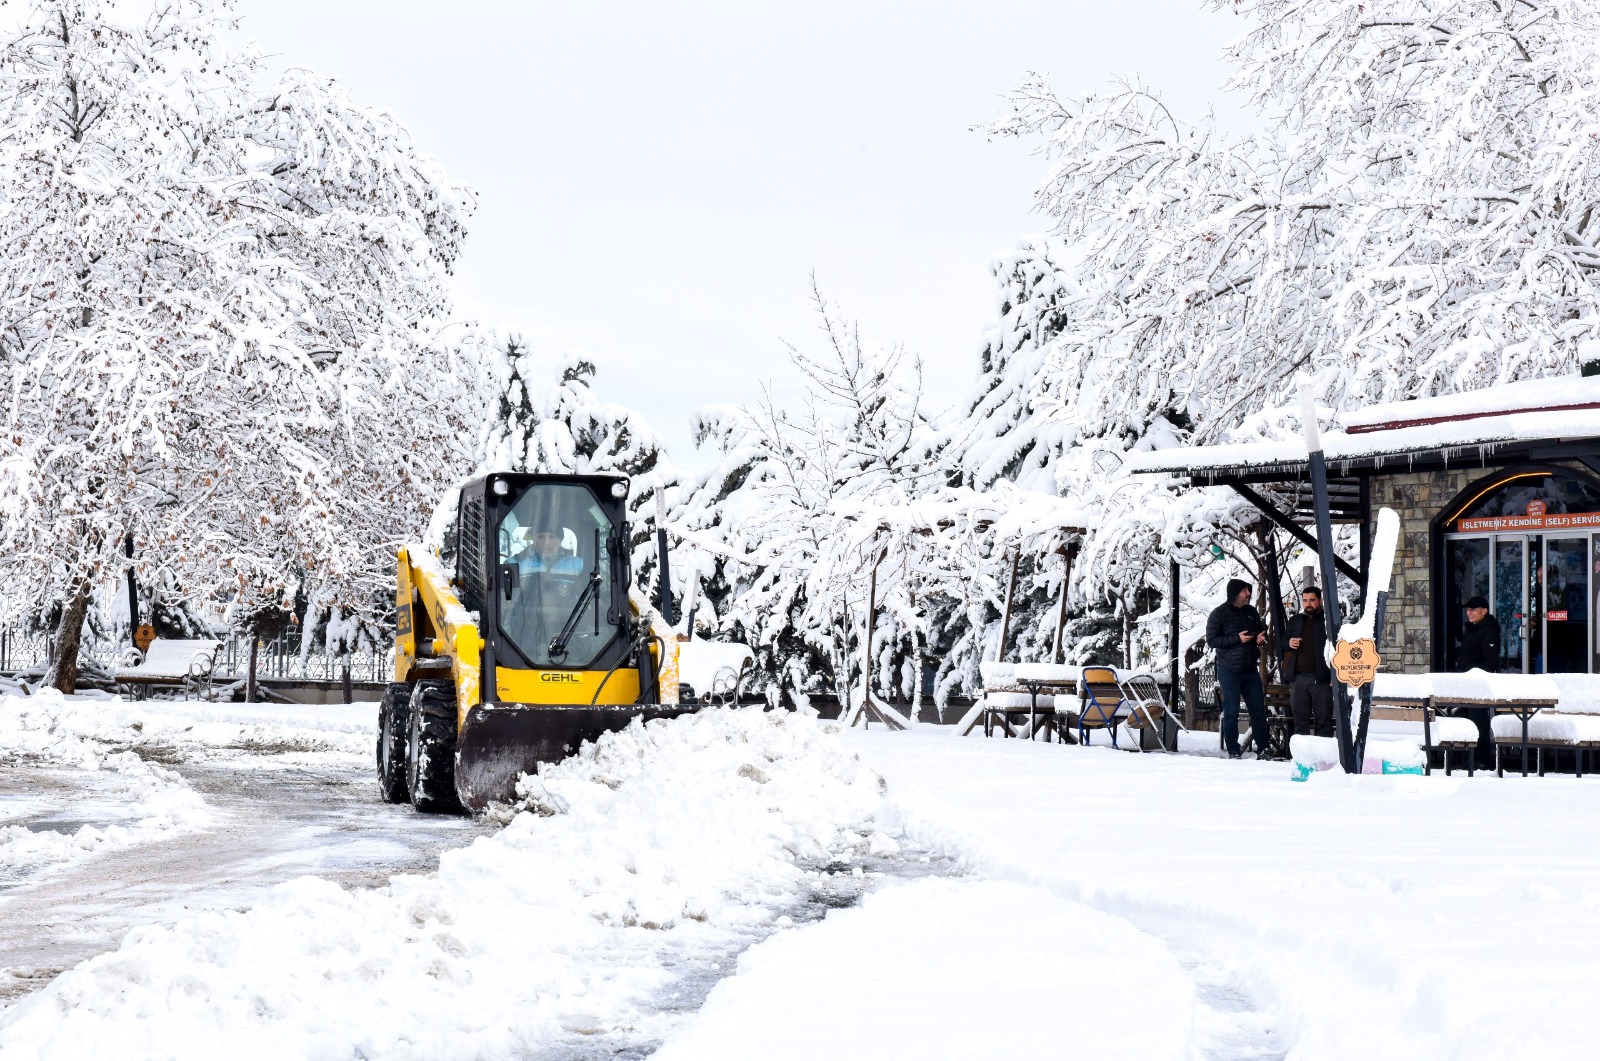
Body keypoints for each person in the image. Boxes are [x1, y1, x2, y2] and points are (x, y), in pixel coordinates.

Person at [1207, 578, 1271, 759]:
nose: (1248, 594)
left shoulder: (1251, 612)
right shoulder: (1219, 614)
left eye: (1248, 590)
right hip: (1229, 669)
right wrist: (1237, 638)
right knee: (1232, 711)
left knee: (1258, 710)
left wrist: (1260, 638)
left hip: (1250, 668)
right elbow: (1211, 640)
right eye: (1245, 591)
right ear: (1235, 593)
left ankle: (1264, 748)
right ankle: (1233, 750)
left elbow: (1261, 631)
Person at [1455, 594, 1500, 768]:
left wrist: (1476, 674)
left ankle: (1482, 758)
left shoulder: (1488, 630)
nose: (1469, 613)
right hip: (1466, 684)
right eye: (1468, 610)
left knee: (1478, 719)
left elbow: (1491, 661)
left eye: (1473, 609)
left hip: (1478, 685)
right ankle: (1469, 757)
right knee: (1464, 718)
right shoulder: (1472, 629)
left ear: (1484, 611)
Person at [1282, 586, 1333, 739]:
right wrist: (1289, 642)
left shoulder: (1328, 621)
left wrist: (1334, 674)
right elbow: (1282, 642)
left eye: (1312, 600)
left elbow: (1339, 647)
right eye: (1305, 600)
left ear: (1320, 601)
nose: (1308, 604)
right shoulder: (1296, 621)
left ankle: (1325, 760)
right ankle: (1303, 760)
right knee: (1300, 723)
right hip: (1298, 679)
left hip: (1322, 679)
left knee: (1324, 722)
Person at [519, 528, 584, 575]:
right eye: (541, 537)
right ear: (534, 540)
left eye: (551, 537)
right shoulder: (517, 564)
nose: (546, 543)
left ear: (560, 541)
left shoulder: (578, 565)